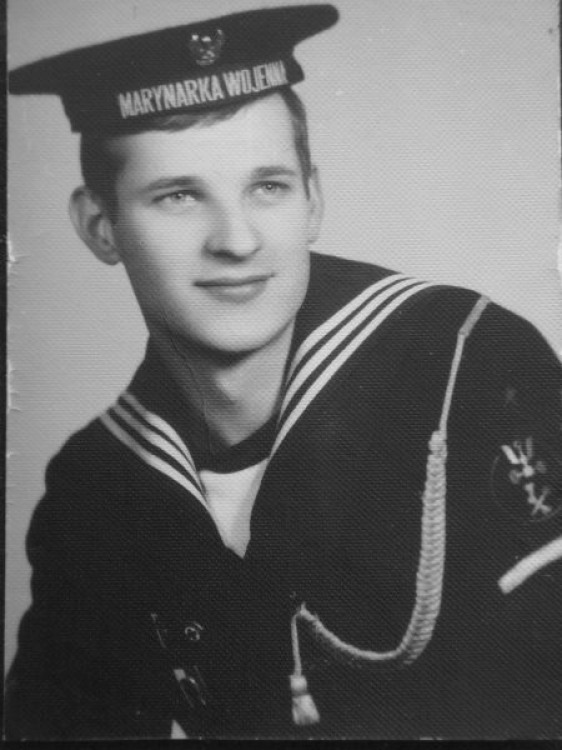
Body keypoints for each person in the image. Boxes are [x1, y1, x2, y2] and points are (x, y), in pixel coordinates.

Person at [6, 3, 562, 740]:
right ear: (99, 226)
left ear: (313, 201)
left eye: (267, 186)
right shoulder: (96, 489)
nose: (236, 240)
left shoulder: (466, 365)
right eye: (179, 196)